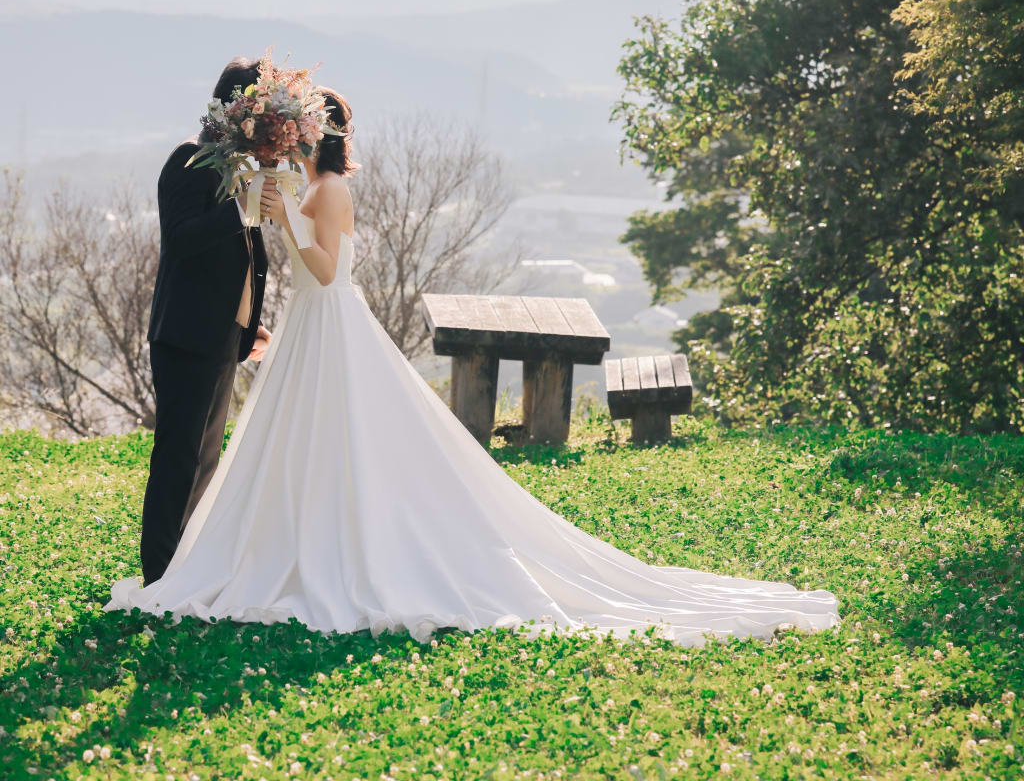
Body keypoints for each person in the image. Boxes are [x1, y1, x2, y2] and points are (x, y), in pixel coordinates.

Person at [107, 89, 840, 646]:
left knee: (338, 436)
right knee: (302, 440)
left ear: (309, 139)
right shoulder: (308, 189)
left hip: (329, 321)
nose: (287, 142)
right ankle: (289, 543)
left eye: (293, 133)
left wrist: (284, 224)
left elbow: (325, 273)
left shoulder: (327, 192)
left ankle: (333, 549)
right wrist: (277, 214)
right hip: (310, 331)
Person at [139, 57, 271, 586]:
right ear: (238, 110)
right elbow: (184, 238)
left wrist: (247, 323)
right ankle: (159, 577)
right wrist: (243, 209)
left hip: (220, 336)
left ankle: (184, 570)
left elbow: (243, 259)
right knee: (178, 459)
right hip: (185, 337)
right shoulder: (187, 161)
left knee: (206, 460)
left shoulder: (236, 170)